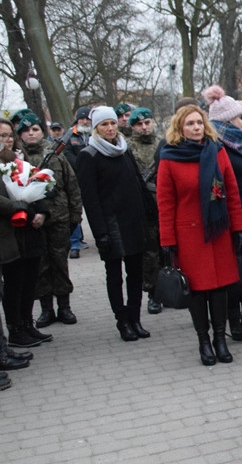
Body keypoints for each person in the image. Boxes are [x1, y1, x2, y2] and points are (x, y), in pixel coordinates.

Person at [157, 104, 242, 366]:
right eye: (190, 124)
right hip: (188, 235)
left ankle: (220, 339)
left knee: (219, 289)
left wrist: (238, 227)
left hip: (218, 231)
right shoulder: (169, 157)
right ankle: (203, 341)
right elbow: (165, 203)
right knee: (196, 291)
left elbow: (232, 192)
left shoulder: (217, 152)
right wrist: (167, 241)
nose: (196, 128)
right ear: (180, 128)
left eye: (199, 123)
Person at [76, 106, 152, 342]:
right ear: (96, 128)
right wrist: (100, 232)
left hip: (134, 220)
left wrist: (151, 213)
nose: (110, 128)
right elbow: (90, 199)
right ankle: (122, 320)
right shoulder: (88, 156)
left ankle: (135, 317)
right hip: (111, 224)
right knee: (114, 275)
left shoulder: (124, 149)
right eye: (104, 125)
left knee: (136, 273)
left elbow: (138, 184)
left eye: (112, 123)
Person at [203, 85, 242, 341]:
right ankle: (233, 320)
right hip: (227, 218)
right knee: (231, 271)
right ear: (226, 120)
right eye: (239, 117)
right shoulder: (215, 146)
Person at [18, 113, 81, 328]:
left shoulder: (56, 154)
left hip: (59, 218)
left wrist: (75, 215)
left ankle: (65, 306)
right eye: (26, 131)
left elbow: (71, 186)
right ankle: (46, 309)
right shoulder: (17, 159)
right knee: (40, 265)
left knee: (59, 262)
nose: (31, 133)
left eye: (35, 129)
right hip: (32, 221)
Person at [0, 118, 51, 349]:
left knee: (31, 278)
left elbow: (36, 185)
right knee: (14, 281)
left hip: (29, 227)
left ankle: (28, 323)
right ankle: (15, 328)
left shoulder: (21, 158)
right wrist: (15, 206)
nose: (7, 140)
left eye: (9, 135)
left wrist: (41, 212)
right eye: (1, 136)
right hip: (8, 231)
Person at [126, 107, 165, 315]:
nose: (144, 127)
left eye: (147, 123)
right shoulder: (128, 148)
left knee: (166, 248)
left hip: (164, 202)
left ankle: (170, 288)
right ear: (132, 127)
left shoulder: (162, 143)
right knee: (149, 252)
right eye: (139, 124)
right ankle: (153, 293)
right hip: (143, 204)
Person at [62, 106, 92, 258]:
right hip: (76, 178)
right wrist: (81, 165)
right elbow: (66, 153)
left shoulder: (95, 134)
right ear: (77, 119)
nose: (85, 121)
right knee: (75, 209)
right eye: (82, 118)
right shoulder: (69, 134)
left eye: (88, 118)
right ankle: (75, 243)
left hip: (94, 178)